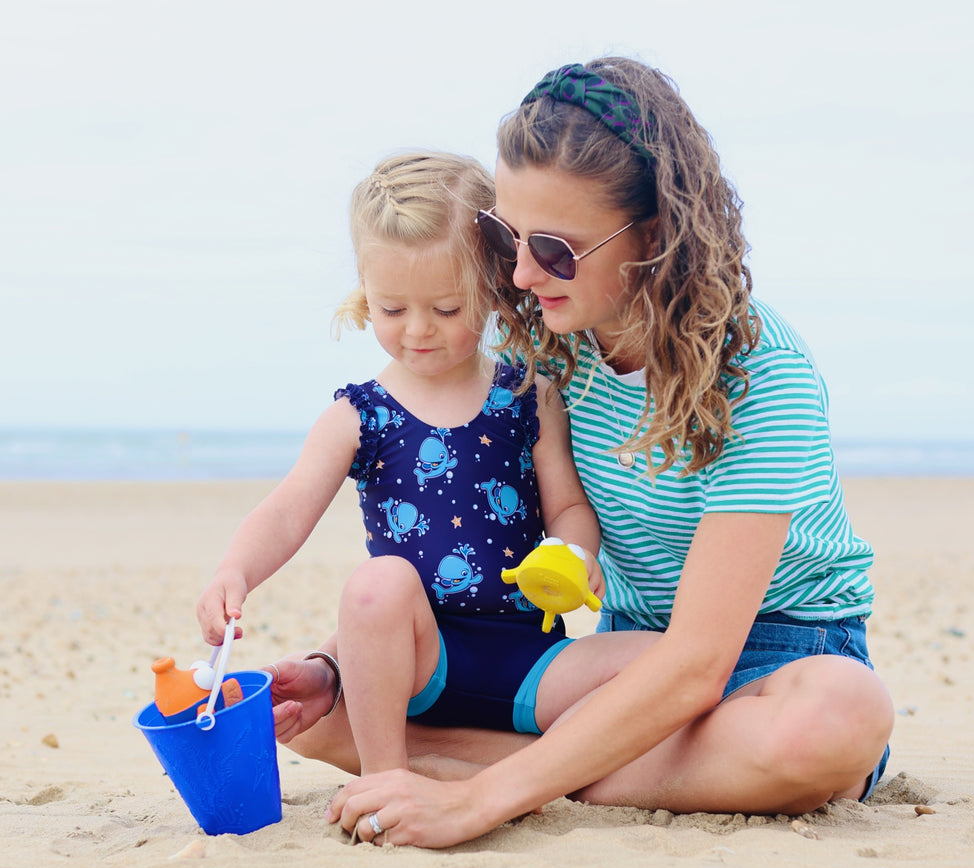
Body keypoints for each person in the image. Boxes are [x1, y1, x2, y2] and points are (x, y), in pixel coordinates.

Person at [278, 58, 895, 848]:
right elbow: (456, 543)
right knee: (308, 706)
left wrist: (482, 802)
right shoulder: (553, 343)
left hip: (772, 660)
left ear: (655, 236)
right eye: (507, 239)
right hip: (620, 665)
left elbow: (701, 662)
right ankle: (559, 763)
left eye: (557, 250)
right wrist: (339, 664)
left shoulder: (759, 373)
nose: (524, 275)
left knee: (841, 718)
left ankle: (465, 766)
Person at [196, 151, 657, 780]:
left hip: (533, 661)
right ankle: (388, 779)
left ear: (497, 285)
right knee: (375, 585)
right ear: (366, 292)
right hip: (418, 660)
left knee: (662, 663)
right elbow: (286, 510)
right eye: (392, 310)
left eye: (446, 309)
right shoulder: (360, 416)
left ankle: (513, 763)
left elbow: (570, 508)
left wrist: (576, 554)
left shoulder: (530, 393)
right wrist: (234, 570)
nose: (419, 330)